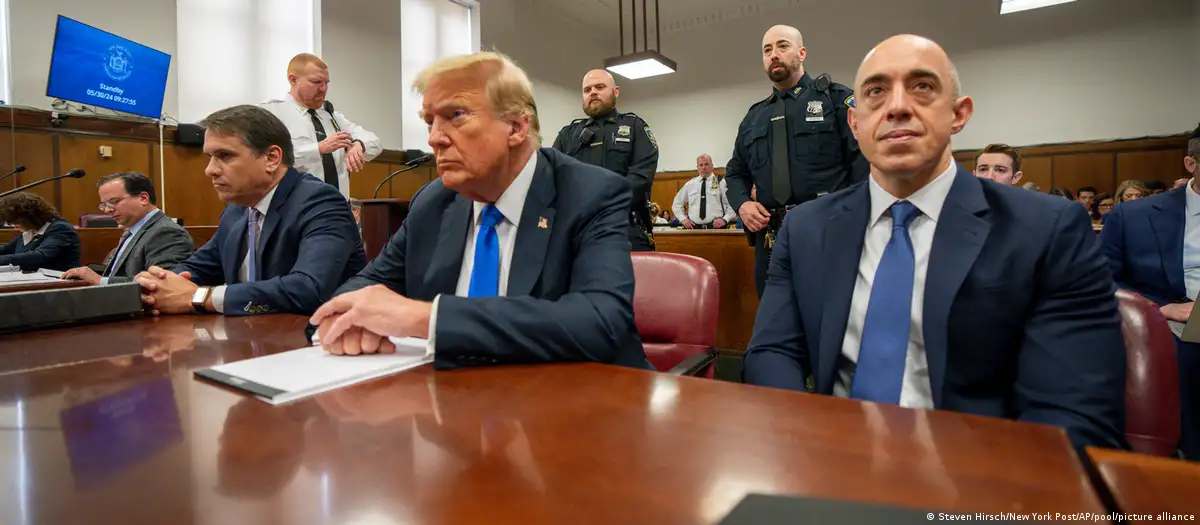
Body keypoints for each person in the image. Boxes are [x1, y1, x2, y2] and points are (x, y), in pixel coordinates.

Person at [742, 34, 1127, 453]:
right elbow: (771, 351)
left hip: (979, 478)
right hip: (829, 457)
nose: (897, 107)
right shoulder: (805, 229)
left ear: (959, 114)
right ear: (855, 124)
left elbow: (1074, 413)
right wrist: (808, 441)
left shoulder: (1047, 230)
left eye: (922, 87)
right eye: (875, 92)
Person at [309, 51, 648, 370]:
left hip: (578, 408)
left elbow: (601, 322)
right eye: (430, 121)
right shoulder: (433, 201)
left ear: (516, 127)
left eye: (455, 115)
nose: (435, 139)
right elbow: (367, 286)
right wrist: (346, 320)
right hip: (450, 404)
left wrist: (425, 319)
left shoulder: (590, 193)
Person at [135, 104, 366, 316]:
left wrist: (199, 297)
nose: (210, 170)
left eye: (224, 156)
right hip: (249, 340)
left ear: (272, 158)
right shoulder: (236, 210)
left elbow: (307, 288)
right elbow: (199, 266)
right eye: (210, 157)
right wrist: (158, 284)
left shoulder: (320, 202)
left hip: (313, 345)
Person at [725, 25, 869, 297]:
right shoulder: (754, 117)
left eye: (782, 46)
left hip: (828, 233)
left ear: (801, 53)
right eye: (767, 50)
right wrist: (742, 204)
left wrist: (850, 218)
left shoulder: (836, 100)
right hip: (771, 239)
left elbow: (864, 161)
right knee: (774, 319)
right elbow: (735, 173)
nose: (774, 55)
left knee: (828, 321)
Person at [1100, 121, 1200, 459]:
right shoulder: (1133, 217)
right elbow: (1101, 282)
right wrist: (1158, 309)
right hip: (1172, 321)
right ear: (1192, 163)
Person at [552, 69, 659, 252]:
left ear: (615, 91)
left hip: (625, 229)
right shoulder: (568, 135)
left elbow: (641, 178)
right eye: (587, 90)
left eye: (600, 87)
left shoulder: (635, 127)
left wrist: (600, 203)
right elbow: (552, 177)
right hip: (578, 232)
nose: (593, 92)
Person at [260, 53, 382, 200]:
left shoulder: (333, 117)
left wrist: (359, 145)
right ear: (293, 79)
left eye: (326, 83)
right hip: (294, 208)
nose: (323, 89)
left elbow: (375, 142)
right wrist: (318, 149)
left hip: (337, 208)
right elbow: (265, 160)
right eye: (316, 82)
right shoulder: (272, 113)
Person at [61, 172, 193, 284]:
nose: (107, 210)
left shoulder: (166, 232)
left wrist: (98, 280)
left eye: (113, 202)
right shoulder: (132, 231)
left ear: (143, 198)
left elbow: (161, 284)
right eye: (104, 205)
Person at [0, 192, 80, 271]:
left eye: (14, 220)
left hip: (60, 281)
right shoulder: (31, 230)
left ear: (29, 216)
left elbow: (40, 255)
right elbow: (6, 249)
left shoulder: (61, 229)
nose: (12, 224)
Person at [672, 154, 735, 229]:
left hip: (716, 229)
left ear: (712, 166)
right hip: (694, 229)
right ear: (697, 168)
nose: (704, 167)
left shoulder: (720, 182)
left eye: (706, 164)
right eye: (701, 165)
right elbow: (676, 204)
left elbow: (731, 204)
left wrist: (725, 220)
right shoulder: (690, 184)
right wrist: (683, 219)